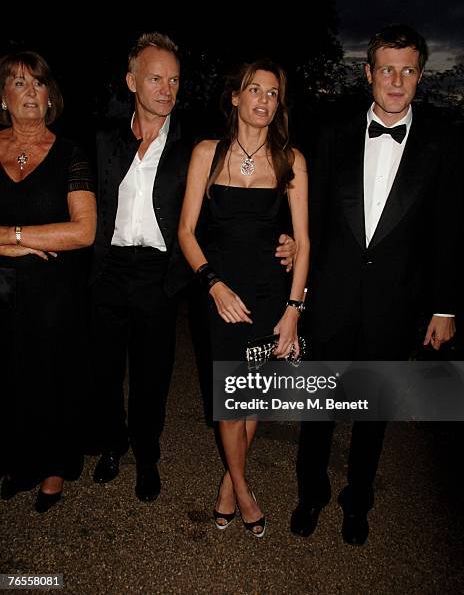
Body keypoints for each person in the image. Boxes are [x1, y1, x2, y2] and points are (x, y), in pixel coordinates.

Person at [90, 33, 298, 503]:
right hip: (107, 270)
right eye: (155, 78)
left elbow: (233, 207)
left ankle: (147, 456)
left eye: (175, 80)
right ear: (132, 81)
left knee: (153, 375)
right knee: (103, 372)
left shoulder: (195, 148)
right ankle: (112, 445)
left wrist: (284, 239)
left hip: (163, 274)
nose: (166, 89)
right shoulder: (102, 138)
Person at [291, 24, 462, 545]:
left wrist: (445, 306)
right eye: (386, 68)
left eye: (407, 70)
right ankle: (310, 494)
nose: (395, 80)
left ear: (420, 77)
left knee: (372, 413)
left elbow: (449, 230)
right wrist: (292, 264)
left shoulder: (444, 142)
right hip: (332, 297)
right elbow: (311, 217)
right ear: (368, 73)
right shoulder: (330, 132)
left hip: (396, 304)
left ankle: (357, 501)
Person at [178, 59, 309, 537]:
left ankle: (227, 488)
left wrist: (294, 310)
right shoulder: (206, 154)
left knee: (255, 396)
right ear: (235, 97)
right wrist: (212, 284)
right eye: (254, 90)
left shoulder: (291, 159)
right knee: (230, 401)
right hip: (221, 295)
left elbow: (305, 241)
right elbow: (186, 232)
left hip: (271, 294)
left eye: (273, 93)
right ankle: (244, 489)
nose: (263, 100)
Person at [0, 51, 96, 512]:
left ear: (50, 95)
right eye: (18, 84)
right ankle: (19, 461)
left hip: (54, 294)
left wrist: (11, 235)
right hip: (2, 291)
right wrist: (9, 247)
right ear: (3, 97)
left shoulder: (71, 152)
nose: (30, 93)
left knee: (51, 378)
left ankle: (54, 467)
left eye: (37, 84)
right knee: (10, 378)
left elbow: (83, 230)